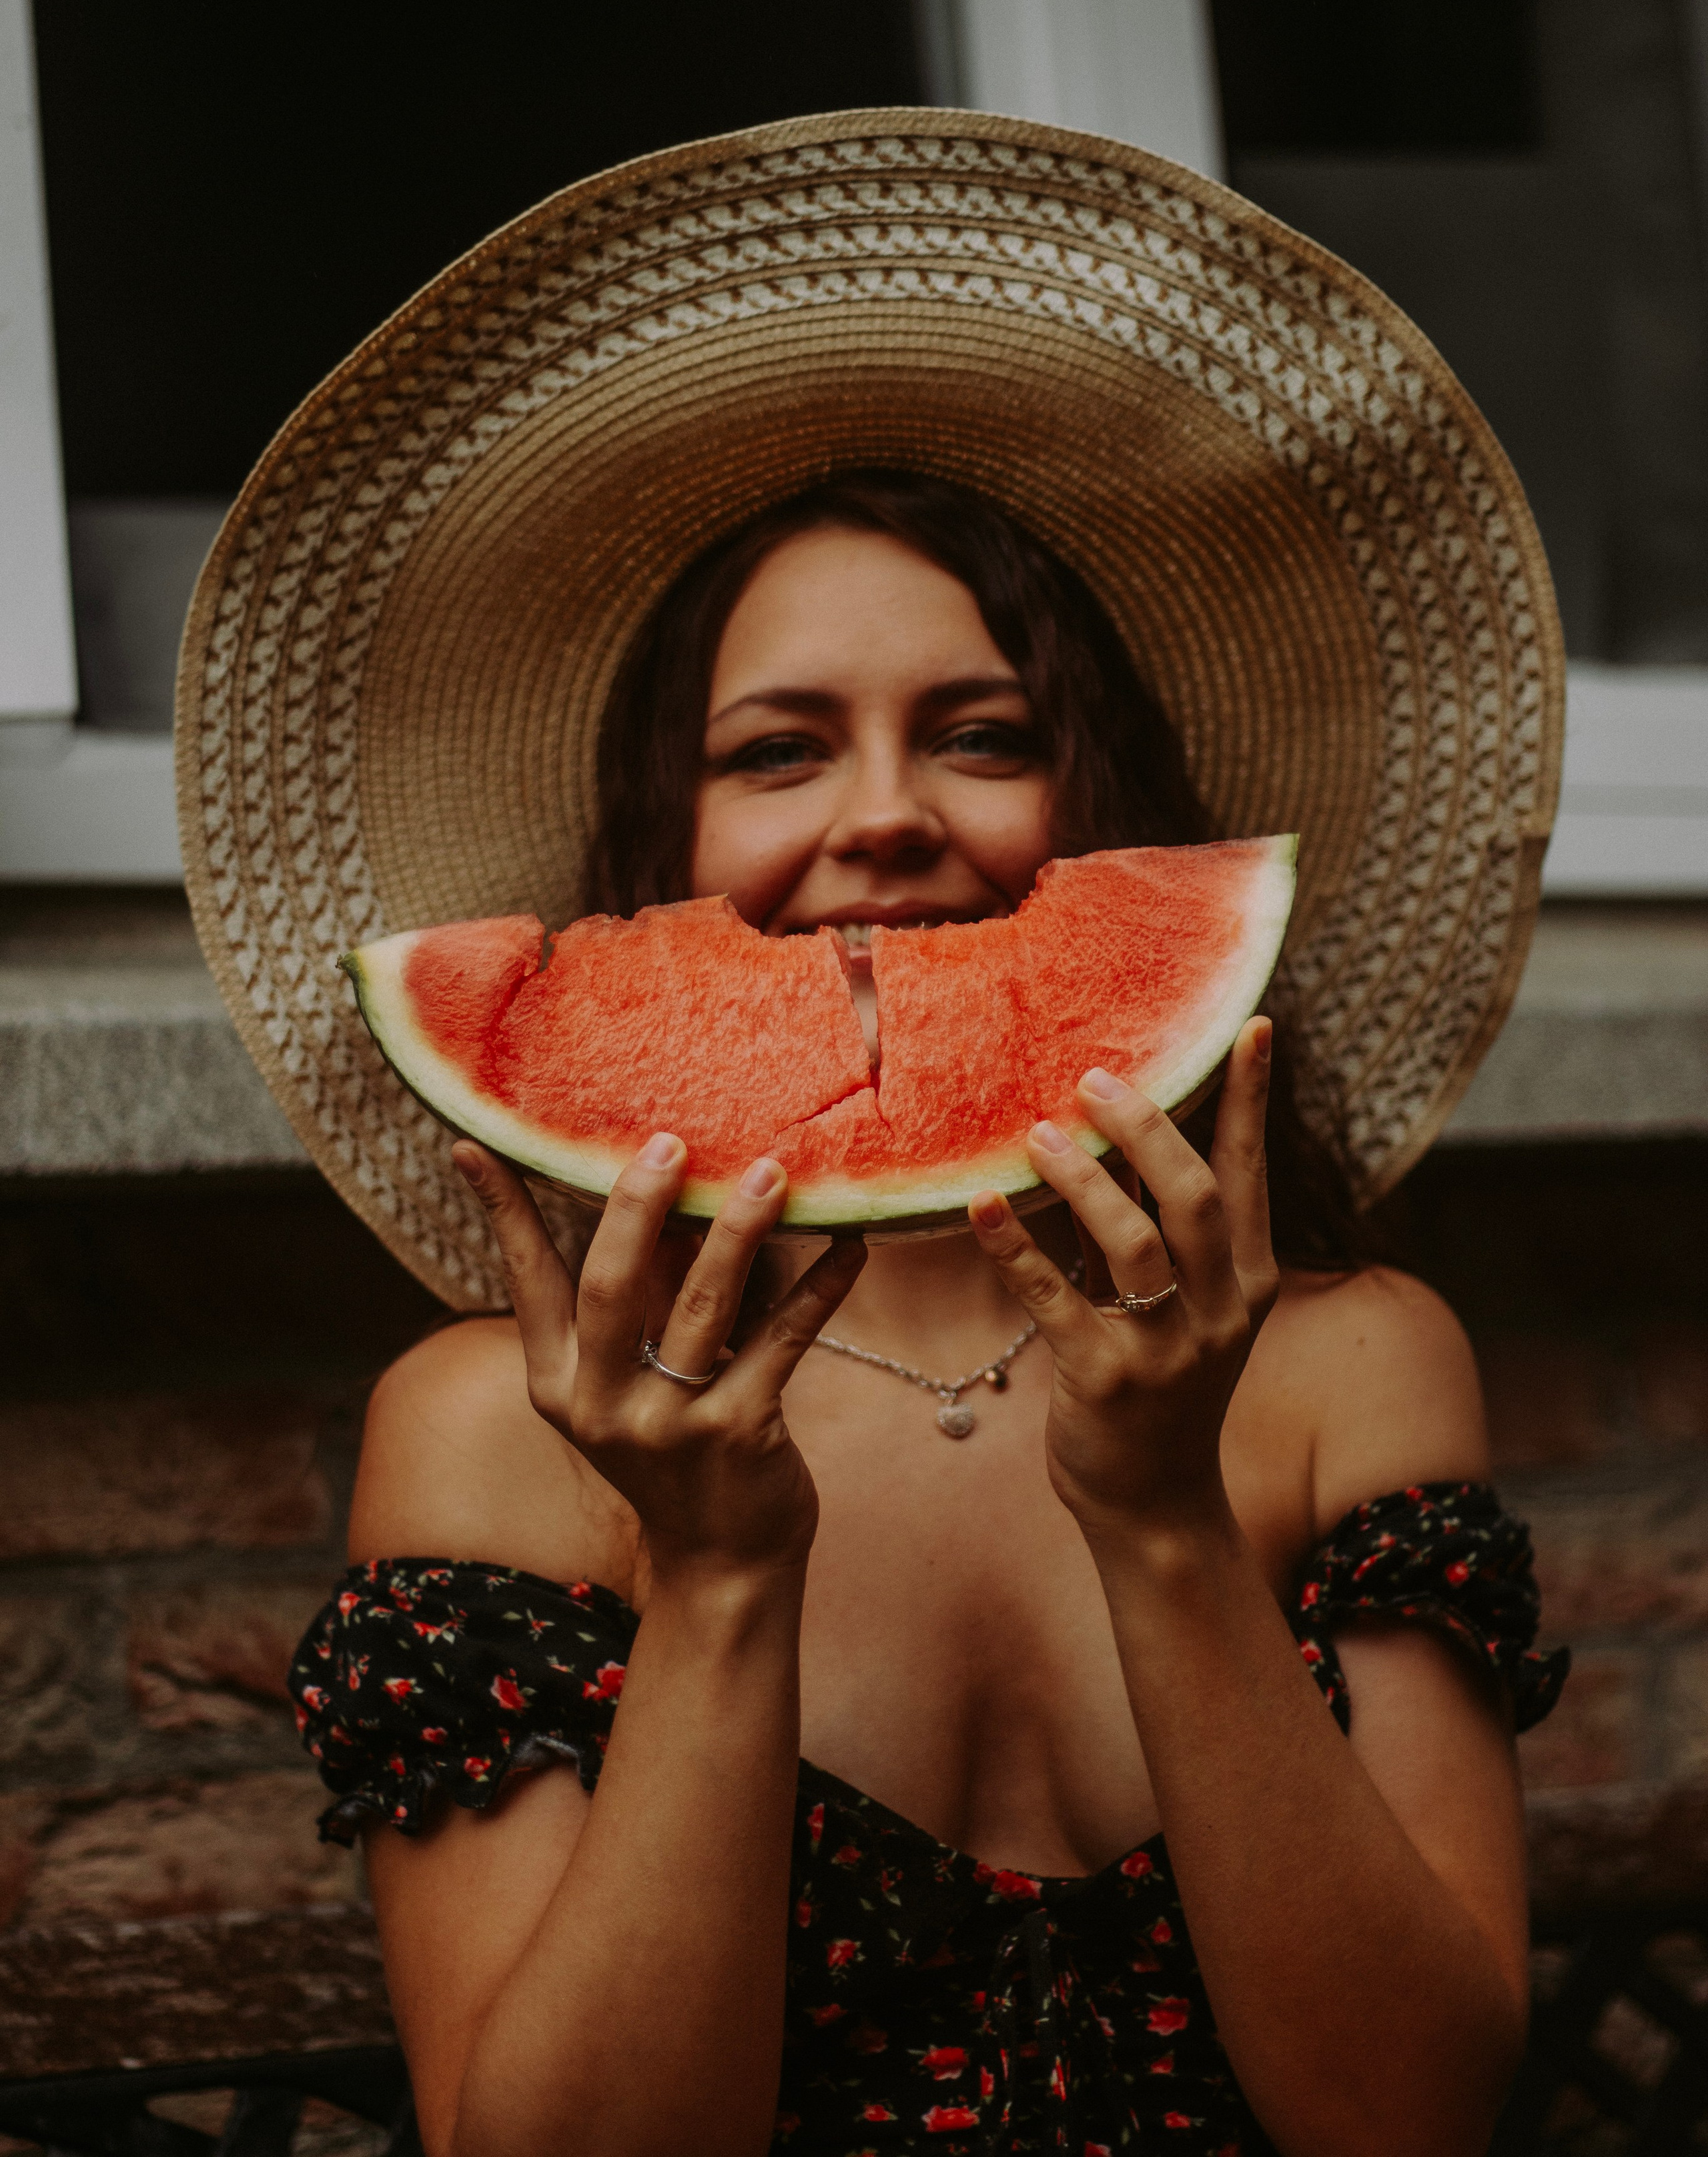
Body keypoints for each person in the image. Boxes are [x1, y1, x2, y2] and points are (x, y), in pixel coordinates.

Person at [175, 113, 1567, 2157]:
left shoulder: (1348, 1367)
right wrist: (720, 1575)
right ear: (657, 858)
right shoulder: (501, 1434)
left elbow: (1412, 2122)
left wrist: (1165, 1518)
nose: (889, 815)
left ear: (1105, 816)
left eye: (984, 734)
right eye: (778, 752)